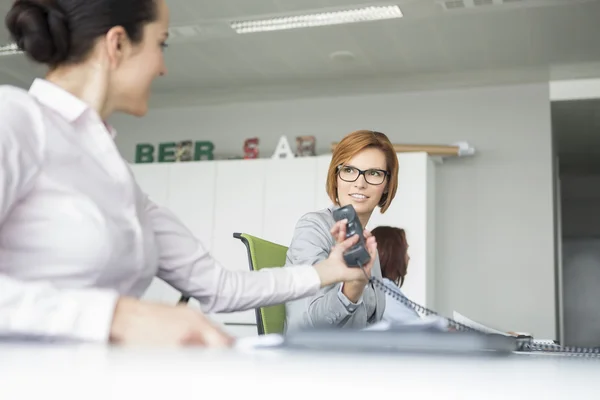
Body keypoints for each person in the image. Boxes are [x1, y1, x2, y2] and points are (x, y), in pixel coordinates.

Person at [0, 0, 377, 347]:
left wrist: (329, 270)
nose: (162, 67)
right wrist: (119, 316)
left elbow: (219, 286)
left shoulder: (115, 175)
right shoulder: (15, 118)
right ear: (117, 45)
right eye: (161, 44)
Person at [284, 130, 399, 332]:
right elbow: (310, 324)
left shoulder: (366, 241)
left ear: (387, 185)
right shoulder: (313, 227)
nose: (360, 183)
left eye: (374, 173)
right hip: (315, 359)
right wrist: (351, 290)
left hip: (357, 358)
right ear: (336, 177)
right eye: (349, 170)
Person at [370, 226, 420, 323]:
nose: (408, 258)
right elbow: (415, 327)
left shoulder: (382, 287)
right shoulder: (382, 290)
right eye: (405, 251)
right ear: (394, 254)